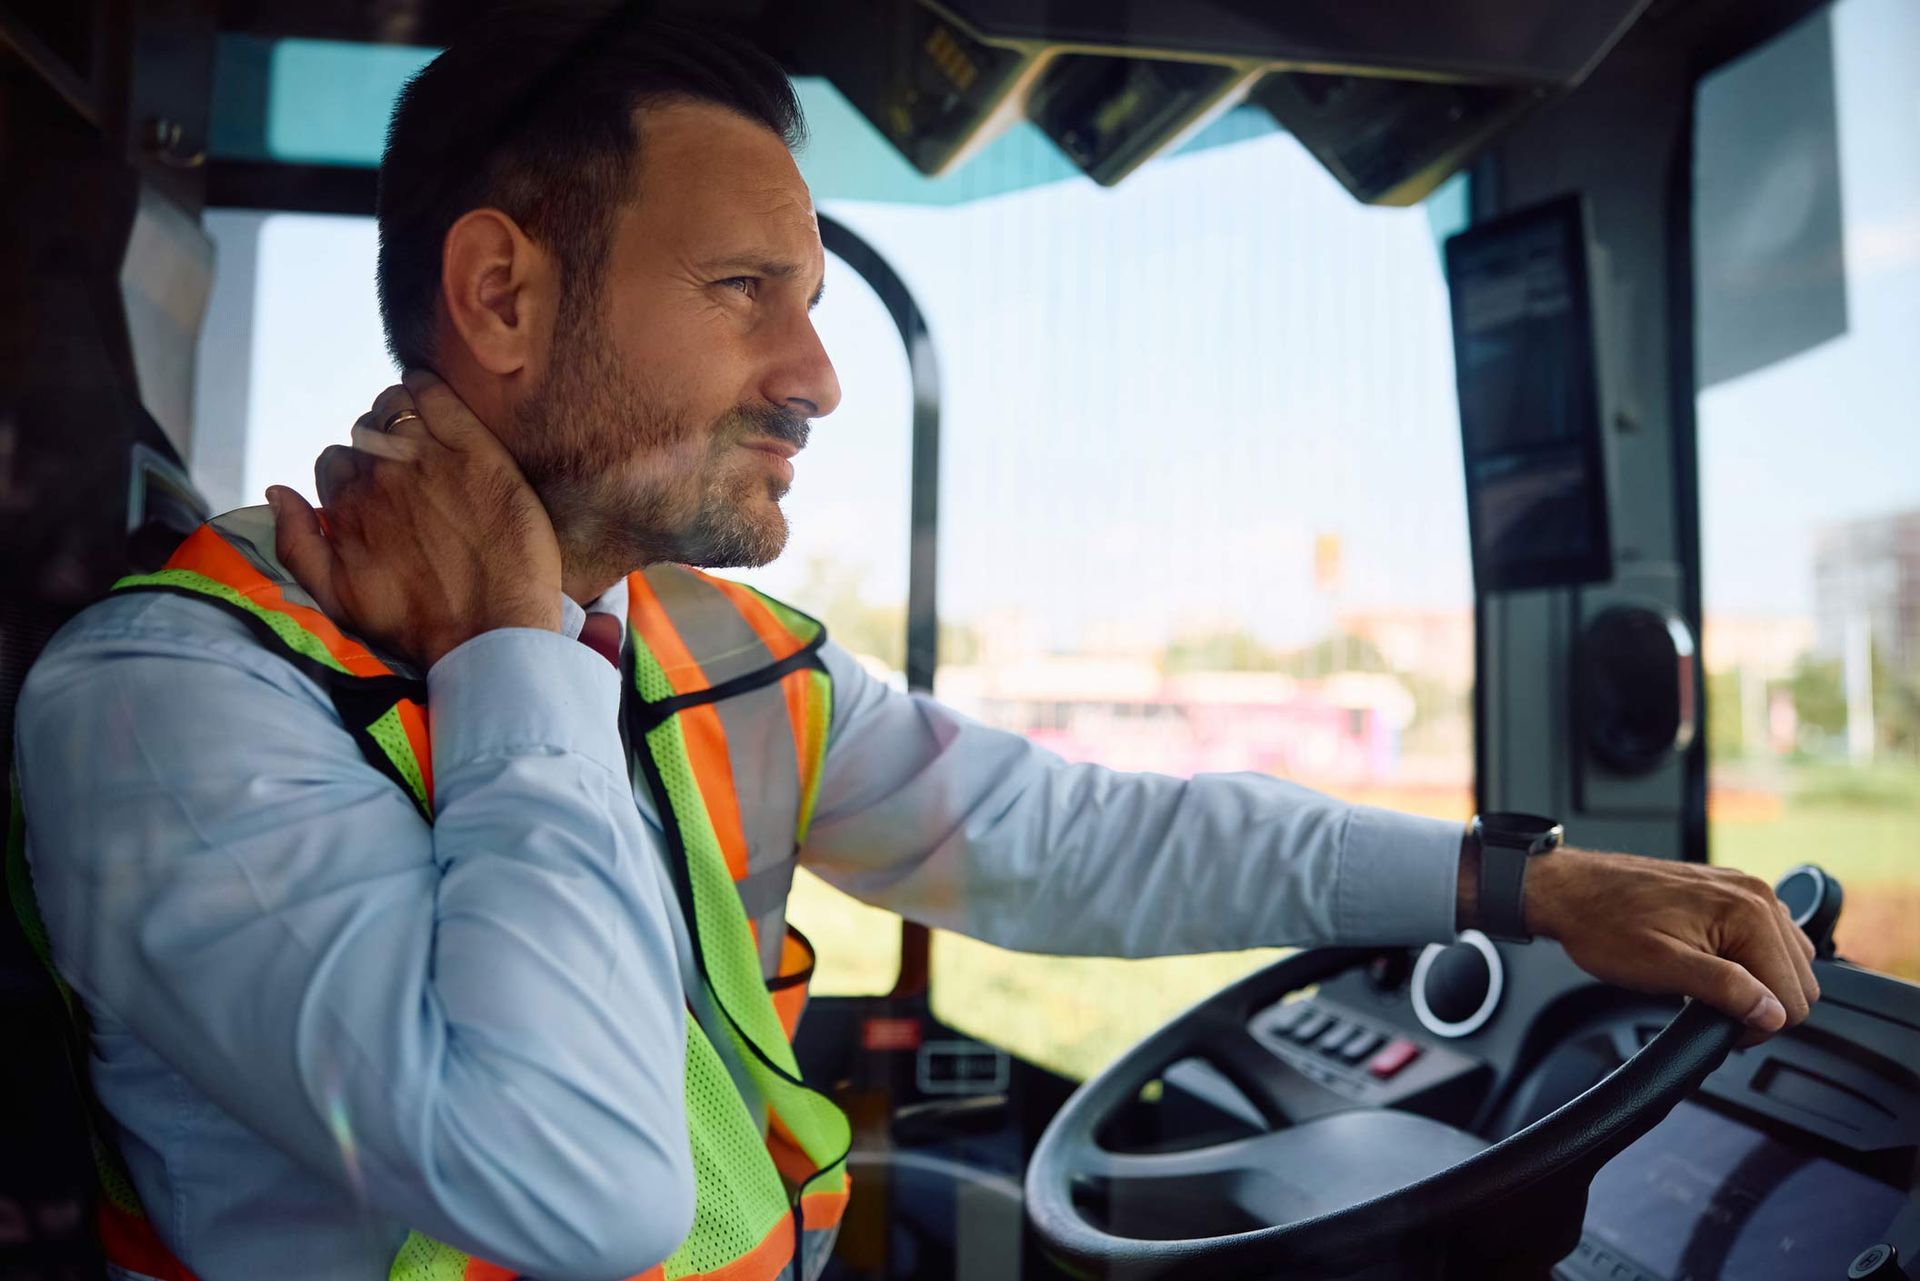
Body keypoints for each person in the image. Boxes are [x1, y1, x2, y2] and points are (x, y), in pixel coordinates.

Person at [11, 5, 1820, 1280]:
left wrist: (1534, 884)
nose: (814, 374)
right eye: (746, 295)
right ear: (501, 293)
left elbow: (1073, 834)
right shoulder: (172, 704)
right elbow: (575, 1188)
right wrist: (506, 651)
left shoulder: (694, 646)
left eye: (809, 301)